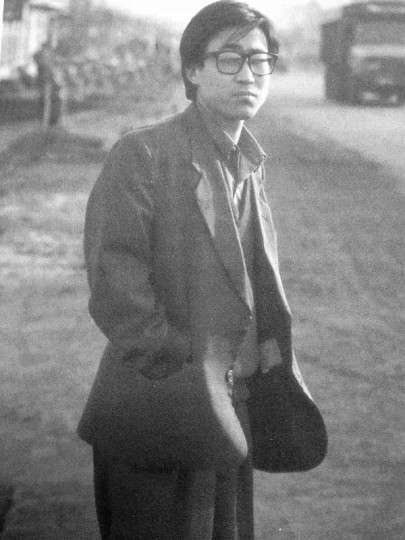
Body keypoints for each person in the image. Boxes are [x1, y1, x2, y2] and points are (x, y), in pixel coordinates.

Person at [77, 2, 327, 539]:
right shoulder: (144, 153)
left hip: (231, 417)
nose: (248, 74)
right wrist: (185, 367)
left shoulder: (249, 165)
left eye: (260, 60)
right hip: (161, 411)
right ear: (192, 70)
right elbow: (114, 280)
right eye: (229, 59)